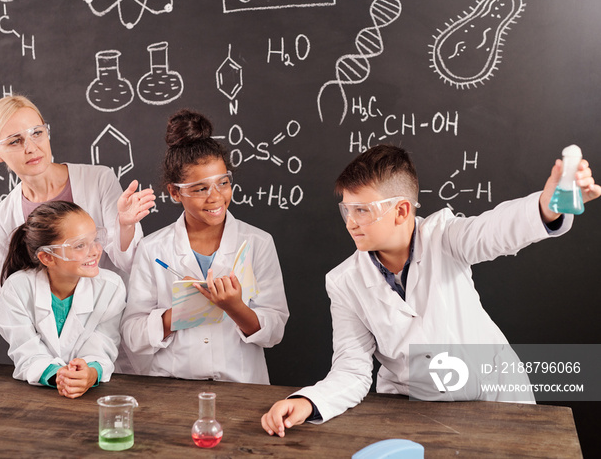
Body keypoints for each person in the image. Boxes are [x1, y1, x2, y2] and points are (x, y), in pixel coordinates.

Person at [261, 144, 600, 436]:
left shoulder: (446, 238)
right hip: (412, 406)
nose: (350, 222)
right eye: (346, 209)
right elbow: (352, 368)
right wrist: (307, 401)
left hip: (493, 395)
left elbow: (496, 230)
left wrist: (547, 206)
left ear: (401, 210)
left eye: (362, 210)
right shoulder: (344, 281)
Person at [120, 109, 289, 384]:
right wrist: (178, 313)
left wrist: (235, 308)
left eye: (223, 183)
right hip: (174, 385)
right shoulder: (152, 249)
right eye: (200, 189)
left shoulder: (258, 242)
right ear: (175, 192)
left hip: (242, 385)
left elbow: (274, 331)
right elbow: (132, 334)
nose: (216, 197)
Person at [0, 95, 156, 302]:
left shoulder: (99, 180)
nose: (31, 147)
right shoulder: (3, 216)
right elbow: (7, 294)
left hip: (109, 318)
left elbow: (130, 264)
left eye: (37, 133)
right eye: (15, 141)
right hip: (48, 328)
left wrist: (125, 226)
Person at [0, 201, 126, 399]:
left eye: (94, 240)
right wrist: (60, 376)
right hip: (36, 398)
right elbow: (26, 352)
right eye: (80, 245)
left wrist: (90, 372)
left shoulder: (111, 287)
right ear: (47, 257)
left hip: (92, 396)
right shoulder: (17, 288)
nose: (94, 251)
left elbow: (103, 345)